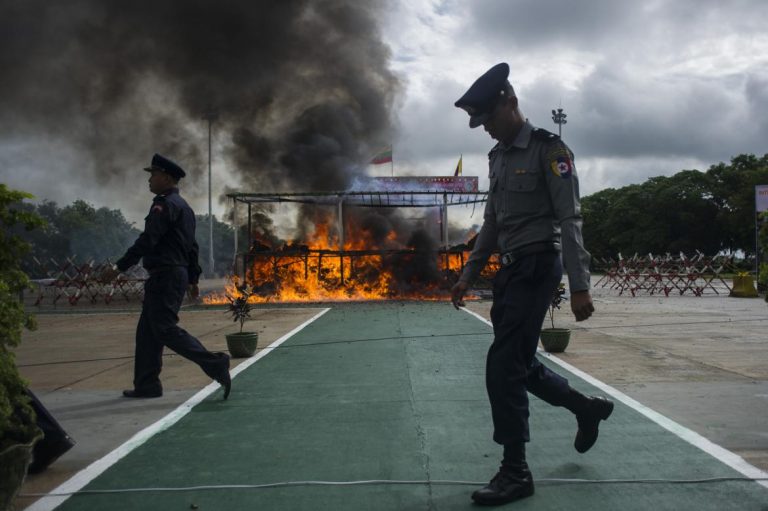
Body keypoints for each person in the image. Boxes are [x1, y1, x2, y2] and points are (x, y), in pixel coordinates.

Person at [451, 63, 613, 506]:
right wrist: (469, 272)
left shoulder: (549, 149)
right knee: (517, 362)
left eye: (490, 119)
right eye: (480, 124)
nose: (486, 130)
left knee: (502, 365)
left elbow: (570, 217)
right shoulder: (498, 156)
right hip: (511, 270)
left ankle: (516, 471)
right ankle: (586, 408)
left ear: (511, 102)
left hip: (541, 264)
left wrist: (580, 284)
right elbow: (491, 221)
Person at [105, 154, 231, 400]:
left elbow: (148, 240)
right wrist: (193, 279)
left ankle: (215, 363)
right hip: (173, 273)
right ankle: (147, 384)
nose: (149, 180)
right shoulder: (184, 207)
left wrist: (120, 267)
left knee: (164, 329)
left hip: (166, 274)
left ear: (166, 177)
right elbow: (192, 248)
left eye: (153, 175)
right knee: (147, 333)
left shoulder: (164, 205)